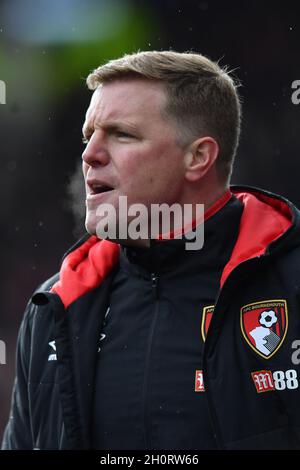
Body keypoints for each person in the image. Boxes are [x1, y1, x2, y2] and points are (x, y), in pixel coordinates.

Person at [2, 50, 300, 451]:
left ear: (198, 157)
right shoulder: (56, 307)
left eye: (122, 134)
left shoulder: (291, 282)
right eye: (89, 136)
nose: (90, 155)